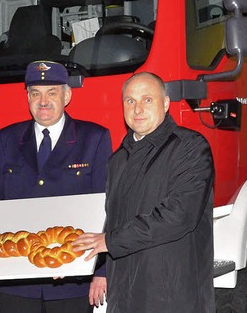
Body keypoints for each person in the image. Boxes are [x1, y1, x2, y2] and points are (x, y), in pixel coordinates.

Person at [73, 72, 215, 312]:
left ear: (166, 104)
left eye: (147, 99)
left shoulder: (189, 147)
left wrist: (110, 241)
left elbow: (179, 215)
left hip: (171, 296)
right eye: (130, 101)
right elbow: (111, 220)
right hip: (125, 297)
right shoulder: (118, 160)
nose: (137, 108)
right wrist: (76, 264)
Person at [0, 60, 112, 313]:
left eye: (52, 92)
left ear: (67, 95)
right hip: (16, 278)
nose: (43, 101)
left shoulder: (93, 138)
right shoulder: (8, 138)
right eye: (36, 93)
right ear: (27, 97)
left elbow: (107, 206)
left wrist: (103, 271)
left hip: (73, 277)